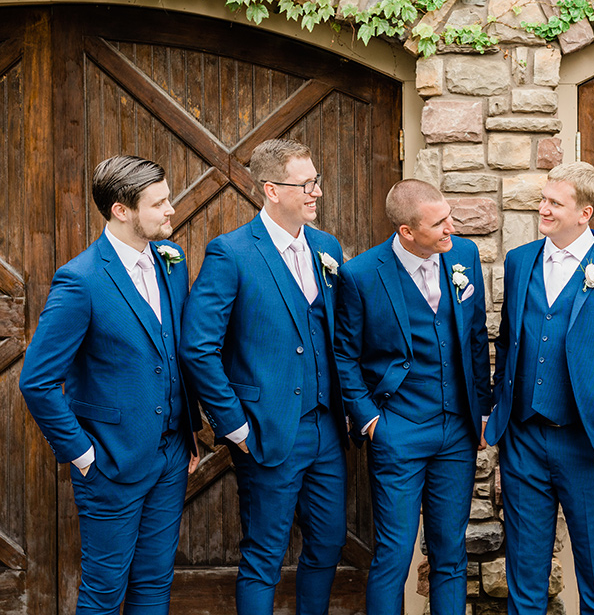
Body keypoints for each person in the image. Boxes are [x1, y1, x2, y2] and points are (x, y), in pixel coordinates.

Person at [19, 155, 201, 614]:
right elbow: (37, 381)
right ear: (122, 210)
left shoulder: (170, 263)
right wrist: (83, 456)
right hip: (111, 464)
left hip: (171, 456)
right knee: (103, 594)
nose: (171, 210)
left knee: (156, 585)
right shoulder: (80, 280)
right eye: (158, 203)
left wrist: (190, 431)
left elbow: (174, 353)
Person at [179, 139, 348, 615]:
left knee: (329, 542)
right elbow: (198, 347)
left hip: (326, 428)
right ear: (272, 189)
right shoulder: (231, 253)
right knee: (264, 555)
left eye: (317, 181)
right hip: (265, 429)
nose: (316, 192)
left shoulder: (326, 247)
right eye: (307, 183)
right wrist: (233, 425)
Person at [486, 161, 594, 615]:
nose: (543, 208)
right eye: (543, 199)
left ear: (585, 213)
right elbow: (507, 339)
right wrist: (501, 410)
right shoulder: (520, 261)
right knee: (525, 573)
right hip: (524, 438)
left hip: (591, 443)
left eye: (554, 203)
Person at [333, 179, 490, 614]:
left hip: (455, 431)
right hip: (397, 429)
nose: (451, 229)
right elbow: (344, 355)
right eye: (439, 223)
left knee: (450, 553)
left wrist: (481, 410)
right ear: (406, 231)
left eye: (449, 217)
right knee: (395, 554)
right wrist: (370, 421)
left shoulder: (464, 257)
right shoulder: (362, 274)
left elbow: (475, 337)